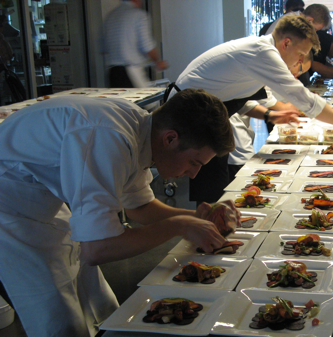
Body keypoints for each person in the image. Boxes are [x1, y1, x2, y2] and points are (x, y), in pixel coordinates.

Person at [0, 90, 237, 337]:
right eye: (194, 163)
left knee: (99, 302)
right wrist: (179, 226)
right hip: (8, 211)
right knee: (59, 318)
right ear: (170, 139)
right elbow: (98, 249)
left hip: (40, 199)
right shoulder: (107, 137)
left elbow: (139, 207)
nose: (193, 174)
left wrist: (196, 219)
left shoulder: (141, 130)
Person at [170, 15, 333, 205]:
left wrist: (271, 114)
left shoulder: (259, 50)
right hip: (189, 114)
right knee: (208, 185)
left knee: (215, 184)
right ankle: (206, 231)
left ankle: (212, 227)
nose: (300, 62)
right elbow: (303, 98)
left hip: (204, 111)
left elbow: (237, 95)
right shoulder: (263, 52)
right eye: (300, 54)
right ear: (287, 43)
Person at [102, 0, 168, 88]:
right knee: (144, 100)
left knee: (117, 101)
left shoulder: (110, 16)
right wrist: (158, 62)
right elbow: (146, 45)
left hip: (112, 73)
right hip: (131, 72)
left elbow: (104, 48)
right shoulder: (139, 15)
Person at [264, 3, 331, 36]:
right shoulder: (293, 24)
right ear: (310, 20)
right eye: (315, 29)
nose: (314, 32)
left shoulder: (296, 18)